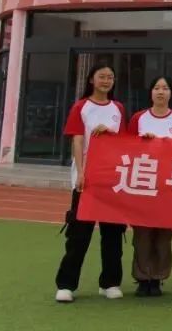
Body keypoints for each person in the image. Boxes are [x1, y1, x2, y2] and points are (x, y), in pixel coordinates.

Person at [54, 62, 127, 303]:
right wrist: (81, 172)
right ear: (91, 80)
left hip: (112, 179)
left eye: (110, 77)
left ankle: (110, 282)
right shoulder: (81, 107)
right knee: (79, 234)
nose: (106, 81)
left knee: (113, 234)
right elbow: (77, 141)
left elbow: (124, 141)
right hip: (87, 179)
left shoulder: (118, 108)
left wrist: (110, 133)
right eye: (102, 76)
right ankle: (66, 284)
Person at [127, 75, 172, 298]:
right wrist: (142, 144)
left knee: (163, 236)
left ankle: (158, 277)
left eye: (165, 88)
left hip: (168, 185)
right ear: (150, 92)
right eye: (157, 88)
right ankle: (143, 278)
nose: (161, 92)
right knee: (142, 235)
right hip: (142, 183)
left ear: (171, 93)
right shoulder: (138, 118)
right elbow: (125, 148)